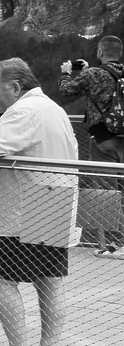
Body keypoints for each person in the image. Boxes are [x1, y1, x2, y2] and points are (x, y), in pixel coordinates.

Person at [0, 58, 78, 346]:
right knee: (50, 280)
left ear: (15, 87)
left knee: (0, 277)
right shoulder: (54, 109)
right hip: (57, 200)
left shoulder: (22, 111)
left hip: (28, 205)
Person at [58, 35, 124, 254]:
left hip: (103, 139)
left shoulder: (93, 74)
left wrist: (67, 72)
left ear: (99, 51)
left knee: (104, 191)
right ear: (120, 53)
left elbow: (66, 90)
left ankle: (109, 247)